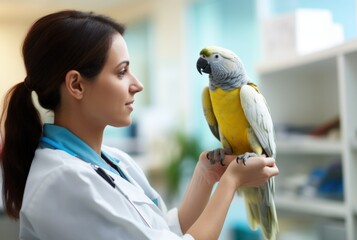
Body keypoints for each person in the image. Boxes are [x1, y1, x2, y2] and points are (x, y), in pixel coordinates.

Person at [0, 10, 279, 240]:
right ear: (76, 85)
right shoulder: (61, 182)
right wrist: (230, 182)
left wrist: (206, 176)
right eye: (122, 72)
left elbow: (160, 231)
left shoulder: (116, 160)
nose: (138, 84)